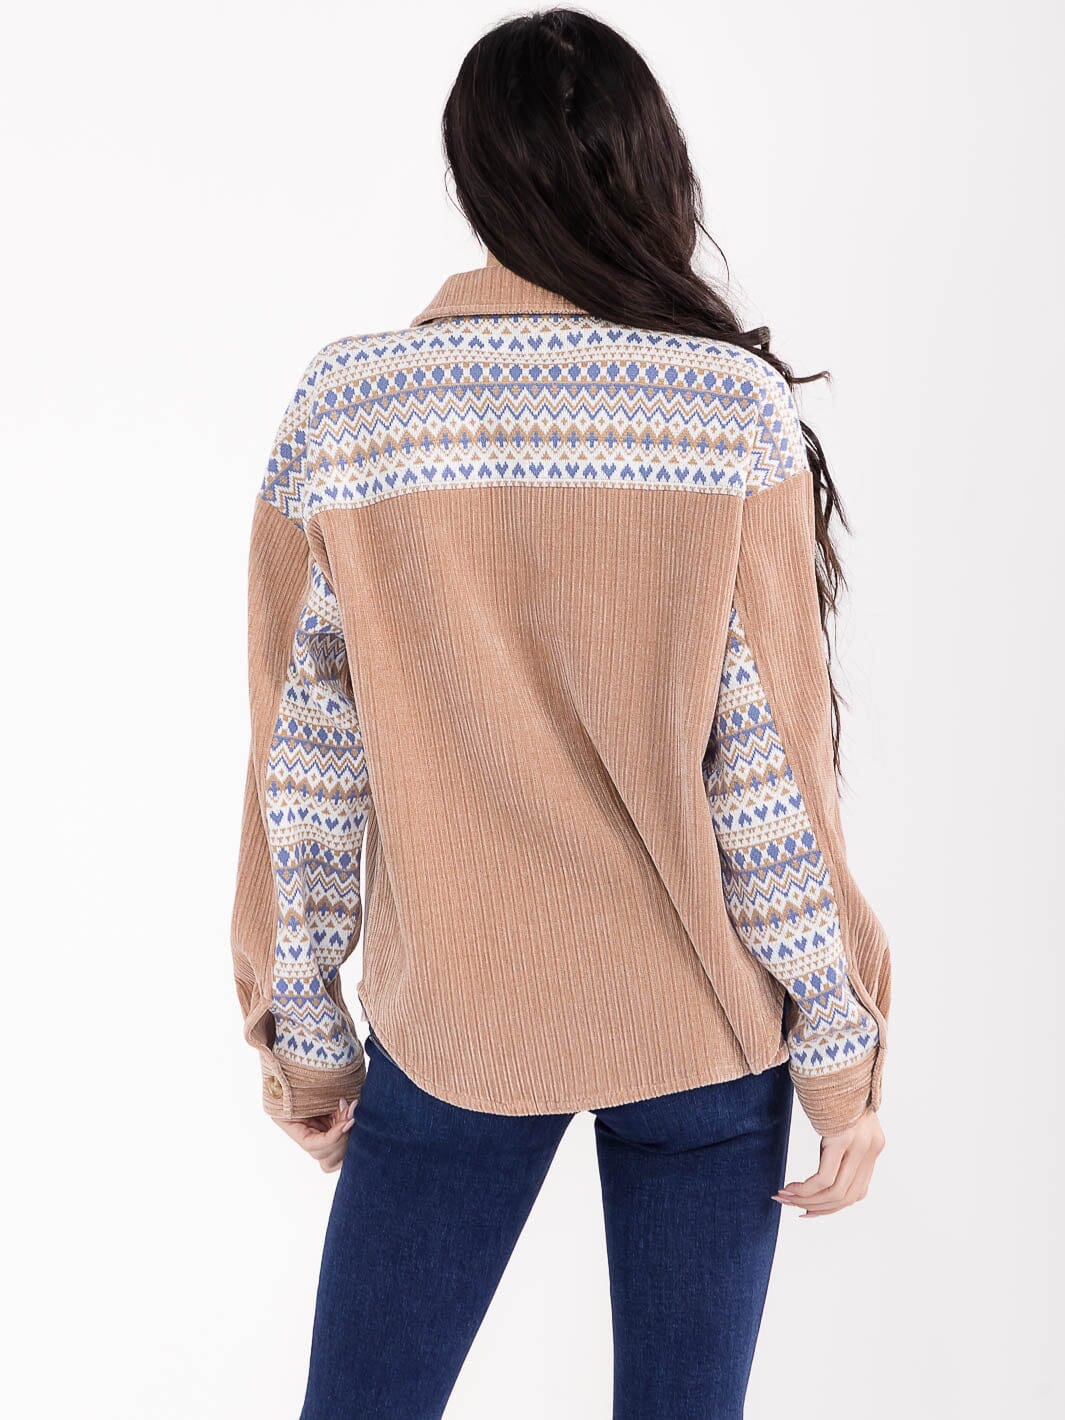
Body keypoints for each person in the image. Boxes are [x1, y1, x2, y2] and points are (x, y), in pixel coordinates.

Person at [229, 9, 893, 1417]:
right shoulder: (728, 408)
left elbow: (305, 765)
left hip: (461, 1020)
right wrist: (841, 1052)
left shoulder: (348, 408)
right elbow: (770, 772)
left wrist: (306, 1036)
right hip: (704, 1026)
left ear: (470, 175)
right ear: (652, 167)